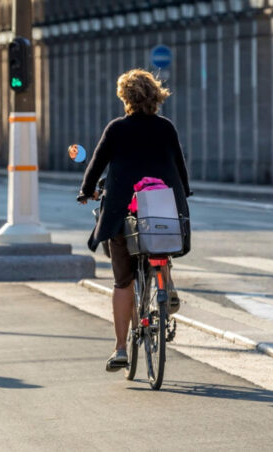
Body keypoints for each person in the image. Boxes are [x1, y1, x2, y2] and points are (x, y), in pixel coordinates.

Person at [76, 69, 190, 372]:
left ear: (124, 98)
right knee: (160, 244)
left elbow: (96, 164)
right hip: (162, 206)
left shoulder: (116, 129)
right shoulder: (166, 128)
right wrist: (184, 191)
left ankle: (120, 348)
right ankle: (168, 284)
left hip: (123, 210)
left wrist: (87, 191)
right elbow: (179, 166)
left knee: (122, 280)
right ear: (155, 96)